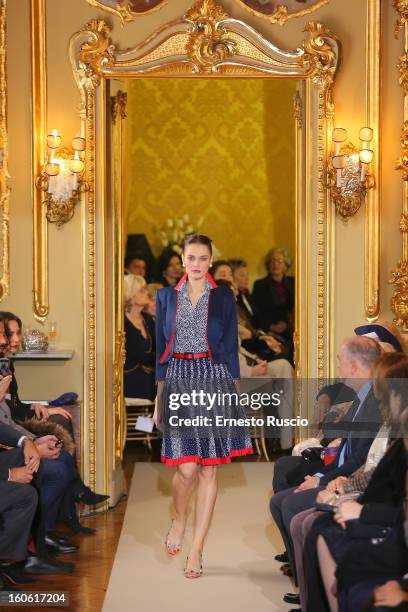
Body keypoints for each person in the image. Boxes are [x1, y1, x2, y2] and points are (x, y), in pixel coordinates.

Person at [154, 233, 253, 579]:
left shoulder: (223, 296)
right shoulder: (166, 297)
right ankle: (179, 517)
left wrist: (235, 395)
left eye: (202, 258)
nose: (196, 264)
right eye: (190, 258)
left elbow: (229, 348)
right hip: (179, 377)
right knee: (186, 470)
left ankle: (196, 550)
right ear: (182, 260)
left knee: (209, 469)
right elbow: (160, 351)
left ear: (210, 260)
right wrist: (158, 398)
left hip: (213, 378)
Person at [269, 336, 382, 594]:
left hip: (352, 480)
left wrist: (322, 479)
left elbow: (360, 459)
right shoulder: (362, 395)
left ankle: (309, 590)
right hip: (337, 471)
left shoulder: (374, 399)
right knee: (280, 500)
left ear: (354, 367)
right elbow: (345, 448)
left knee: (289, 505)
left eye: (341, 362)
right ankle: (303, 582)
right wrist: (321, 474)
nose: (339, 368)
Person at [124, 275, 156, 401]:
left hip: (149, 379)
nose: (147, 293)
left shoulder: (147, 319)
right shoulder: (121, 322)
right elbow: (139, 354)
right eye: (141, 290)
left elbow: (159, 347)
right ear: (131, 296)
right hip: (131, 381)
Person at [252, 247, 295, 340]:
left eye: (279, 261)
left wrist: (288, 323)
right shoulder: (259, 285)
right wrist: (271, 326)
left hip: (293, 328)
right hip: (270, 330)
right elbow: (256, 311)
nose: (275, 264)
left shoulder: (294, 282)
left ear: (286, 265)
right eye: (272, 261)